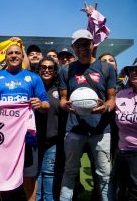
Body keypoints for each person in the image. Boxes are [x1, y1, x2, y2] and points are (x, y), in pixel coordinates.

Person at [0, 44, 50, 201]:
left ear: (23, 57)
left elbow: (46, 104)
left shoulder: (33, 78)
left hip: (27, 138)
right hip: (2, 140)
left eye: (17, 53)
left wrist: (40, 105)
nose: (13, 56)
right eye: (10, 53)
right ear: (5, 57)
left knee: (29, 177)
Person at [59, 29, 116, 201]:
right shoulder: (65, 70)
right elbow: (63, 99)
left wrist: (104, 107)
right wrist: (66, 106)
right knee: (70, 171)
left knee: (105, 174)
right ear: (73, 48)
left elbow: (111, 99)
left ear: (93, 45)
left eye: (86, 43)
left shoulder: (106, 68)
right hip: (74, 129)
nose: (82, 47)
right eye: (78, 44)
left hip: (100, 130)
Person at [34, 56, 66, 200]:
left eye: (50, 68)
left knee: (48, 173)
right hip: (32, 139)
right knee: (35, 173)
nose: (46, 70)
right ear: (38, 70)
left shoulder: (61, 90)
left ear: (55, 71)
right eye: (43, 67)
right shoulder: (32, 87)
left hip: (52, 140)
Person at [113, 65, 137, 201]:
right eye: (131, 70)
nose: (134, 73)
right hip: (122, 152)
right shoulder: (121, 94)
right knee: (120, 191)